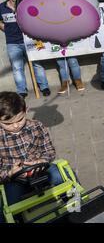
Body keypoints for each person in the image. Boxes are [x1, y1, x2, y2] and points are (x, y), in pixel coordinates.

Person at [0, 91, 64, 222]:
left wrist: (42, 160)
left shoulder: (37, 126)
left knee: (63, 176)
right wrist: (10, 173)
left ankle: (76, 208)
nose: (16, 125)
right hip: (15, 179)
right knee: (8, 206)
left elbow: (49, 150)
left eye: (20, 119)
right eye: (8, 124)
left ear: (26, 110)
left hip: (41, 169)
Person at [0, 0, 50, 98]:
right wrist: (6, 29)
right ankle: (22, 91)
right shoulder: (1, 7)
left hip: (30, 40)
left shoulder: (25, 5)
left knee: (37, 64)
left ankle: (44, 87)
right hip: (13, 43)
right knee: (17, 67)